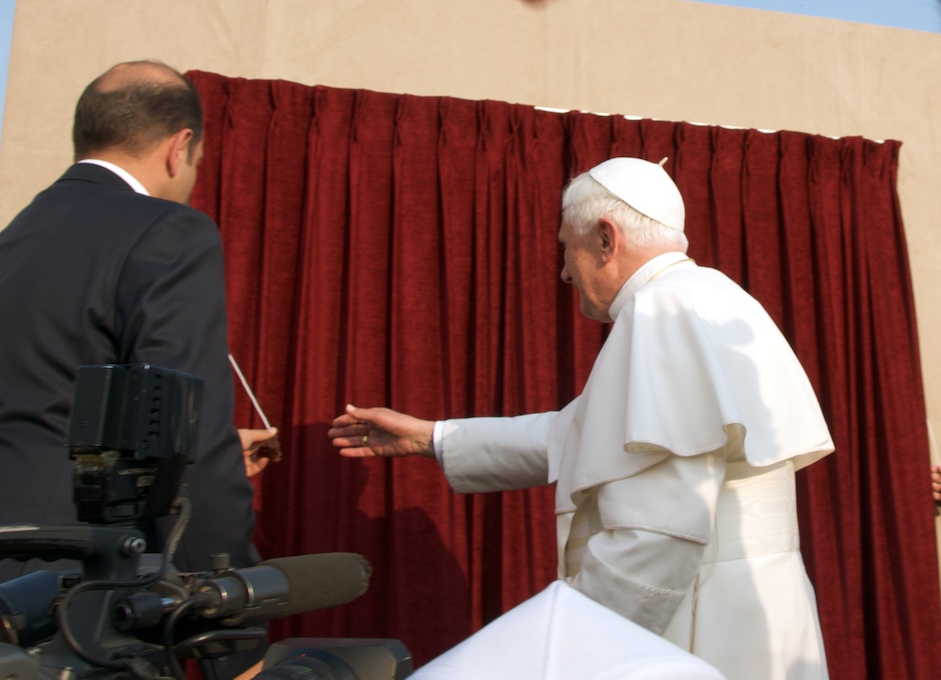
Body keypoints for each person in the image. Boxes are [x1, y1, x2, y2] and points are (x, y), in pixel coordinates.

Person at [329, 157, 835, 679]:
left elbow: (658, 532)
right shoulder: (712, 297)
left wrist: (580, 647)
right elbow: (580, 434)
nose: (565, 271)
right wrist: (433, 438)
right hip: (757, 611)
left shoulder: (661, 311)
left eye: (567, 246)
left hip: (703, 623)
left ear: (605, 239)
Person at [0, 62, 271, 675]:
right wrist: (233, 636)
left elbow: (29, 414)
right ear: (179, 147)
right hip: (65, 600)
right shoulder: (168, 233)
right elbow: (192, 447)